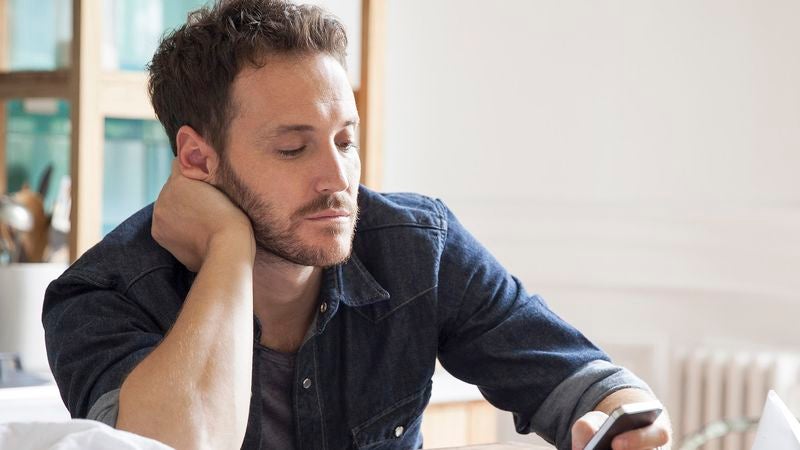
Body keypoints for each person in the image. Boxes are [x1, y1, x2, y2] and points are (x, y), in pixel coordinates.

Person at [42, 1, 672, 449]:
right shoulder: (99, 297)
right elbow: (169, 444)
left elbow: (580, 380)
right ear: (199, 160)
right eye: (294, 149)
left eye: (344, 141)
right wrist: (229, 248)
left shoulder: (417, 246)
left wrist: (625, 418)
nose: (337, 178)